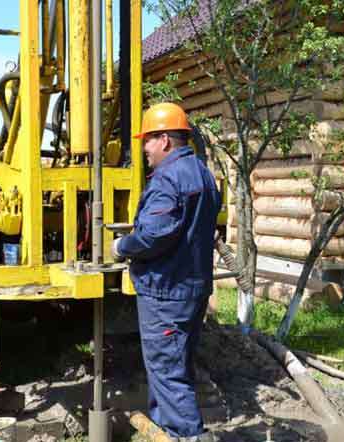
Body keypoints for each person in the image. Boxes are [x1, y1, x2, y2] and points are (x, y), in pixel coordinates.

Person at [112, 103, 221, 441]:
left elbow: (153, 234)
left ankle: (187, 436)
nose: (144, 149)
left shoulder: (168, 179)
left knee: (167, 373)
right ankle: (166, 433)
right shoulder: (202, 172)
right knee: (177, 368)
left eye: (147, 140)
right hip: (192, 288)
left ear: (164, 140)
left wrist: (122, 246)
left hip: (166, 292)